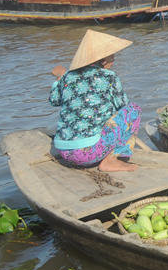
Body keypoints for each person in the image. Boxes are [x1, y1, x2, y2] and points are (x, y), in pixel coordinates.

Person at [49, 30, 142, 172]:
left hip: (64, 150)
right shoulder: (109, 77)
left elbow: (54, 100)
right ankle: (110, 161)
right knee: (133, 110)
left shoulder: (68, 76)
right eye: (112, 55)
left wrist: (59, 78)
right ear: (102, 60)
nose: (114, 59)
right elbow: (123, 106)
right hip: (88, 153)